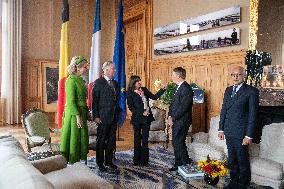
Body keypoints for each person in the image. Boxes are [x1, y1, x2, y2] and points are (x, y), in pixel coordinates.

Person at [218, 66, 259, 189]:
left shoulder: (251, 91)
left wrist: (249, 135)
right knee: (232, 159)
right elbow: (224, 110)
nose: (235, 77)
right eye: (233, 74)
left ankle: (243, 184)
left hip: (242, 133)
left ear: (244, 76)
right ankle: (233, 181)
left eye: (239, 74)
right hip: (229, 131)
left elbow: (253, 115)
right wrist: (221, 129)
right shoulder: (228, 90)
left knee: (242, 160)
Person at [126, 76, 166, 166]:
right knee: (137, 140)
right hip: (137, 119)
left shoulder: (144, 89)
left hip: (147, 118)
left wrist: (162, 89)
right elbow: (131, 107)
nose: (140, 83)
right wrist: (142, 112)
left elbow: (154, 97)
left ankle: (144, 161)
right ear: (133, 83)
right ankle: (136, 160)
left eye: (140, 81)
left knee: (145, 140)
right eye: (137, 82)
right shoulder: (129, 93)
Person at [60, 55, 89, 164]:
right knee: (74, 138)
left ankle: (80, 161)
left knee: (82, 138)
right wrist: (77, 117)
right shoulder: (70, 80)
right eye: (85, 67)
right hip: (73, 114)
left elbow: (84, 99)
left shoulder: (81, 80)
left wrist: (86, 112)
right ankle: (72, 162)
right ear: (77, 67)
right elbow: (71, 101)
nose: (86, 69)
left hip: (82, 112)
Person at [92, 61, 119, 172]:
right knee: (101, 140)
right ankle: (100, 163)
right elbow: (95, 101)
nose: (115, 70)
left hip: (113, 117)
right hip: (102, 117)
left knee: (111, 141)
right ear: (106, 70)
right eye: (113, 68)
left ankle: (109, 161)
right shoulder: (98, 82)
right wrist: (96, 116)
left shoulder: (115, 83)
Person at [168, 67, 193, 171]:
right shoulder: (178, 87)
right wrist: (170, 116)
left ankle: (186, 164)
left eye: (173, 75)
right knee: (176, 142)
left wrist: (172, 118)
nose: (172, 77)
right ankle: (178, 165)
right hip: (176, 119)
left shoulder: (186, 88)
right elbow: (172, 104)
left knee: (178, 142)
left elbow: (183, 107)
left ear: (178, 76)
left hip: (182, 121)